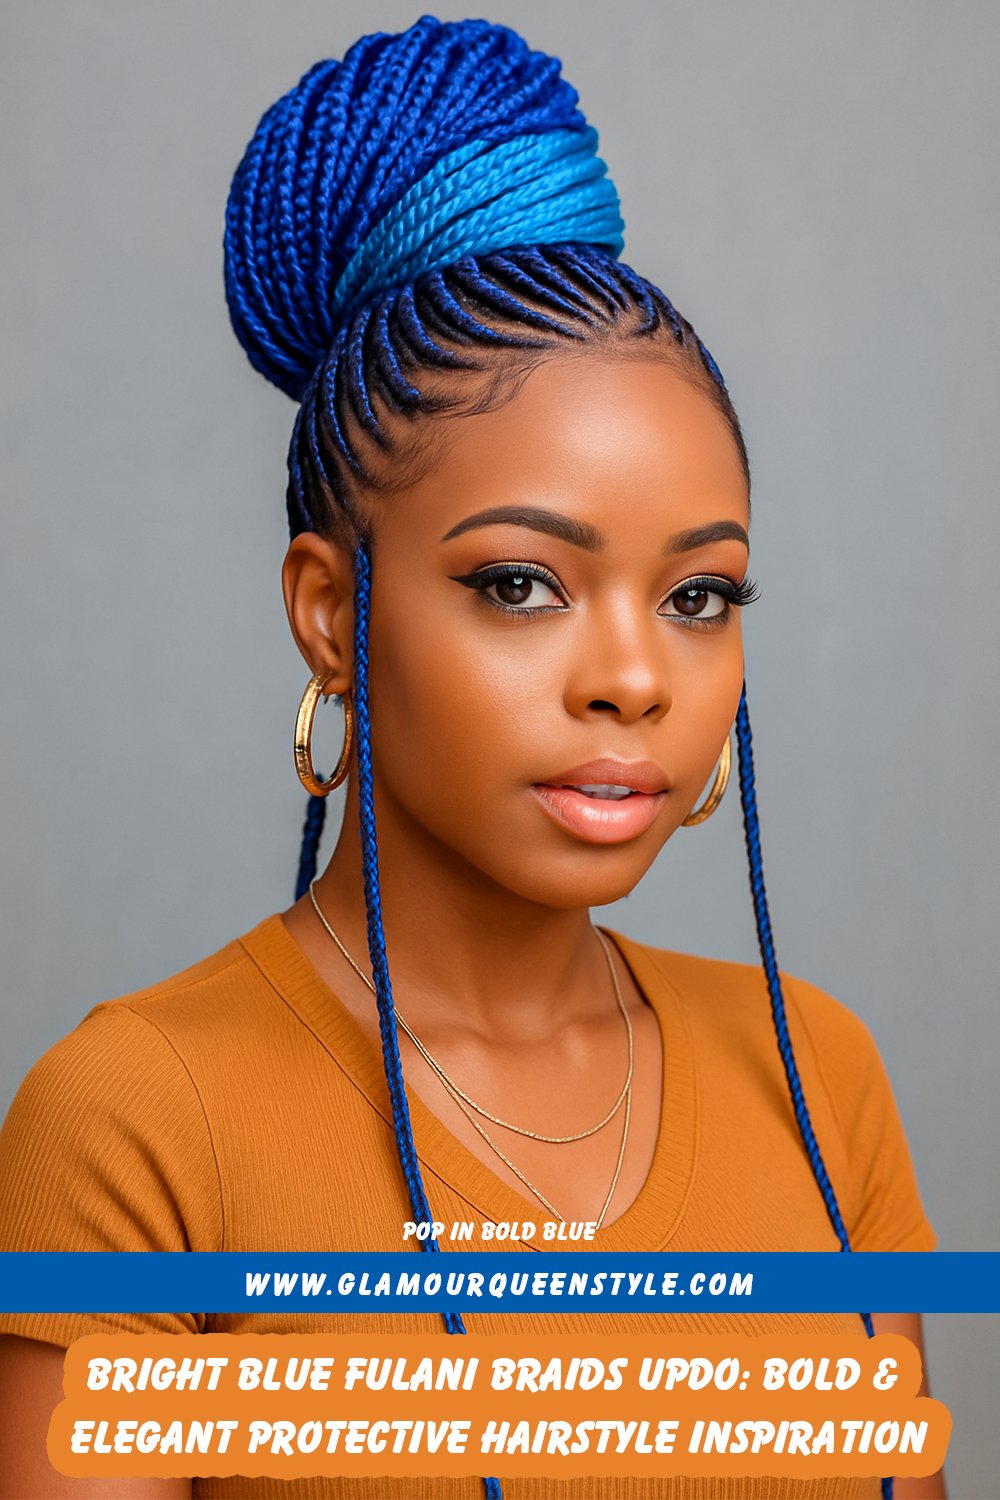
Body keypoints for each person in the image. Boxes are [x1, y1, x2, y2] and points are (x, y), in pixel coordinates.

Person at [0, 15, 944, 1500]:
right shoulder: (137, 1123)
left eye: (699, 595)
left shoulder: (820, 1079)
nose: (635, 678)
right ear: (330, 614)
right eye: (521, 583)